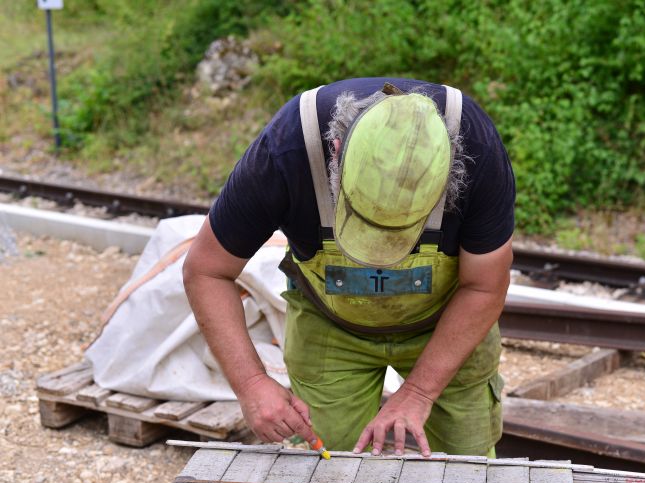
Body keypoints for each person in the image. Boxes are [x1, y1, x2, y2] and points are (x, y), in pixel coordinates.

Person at [183, 77, 515, 457]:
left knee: (469, 478)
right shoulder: (288, 149)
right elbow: (206, 270)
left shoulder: (477, 149)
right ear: (335, 150)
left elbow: (485, 286)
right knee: (322, 475)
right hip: (331, 325)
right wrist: (252, 384)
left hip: (450, 322)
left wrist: (419, 393)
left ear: (451, 175)